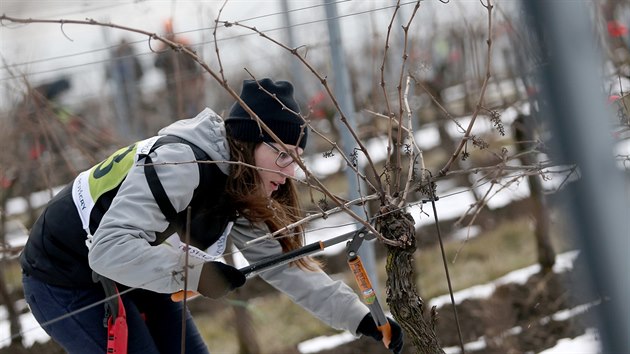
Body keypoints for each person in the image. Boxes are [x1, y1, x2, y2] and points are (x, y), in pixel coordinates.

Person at [20, 78, 404, 354]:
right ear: (249, 143)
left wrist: (362, 318)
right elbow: (108, 251)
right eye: (283, 155)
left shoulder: (240, 182)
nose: (291, 172)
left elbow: (283, 266)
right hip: (65, 278)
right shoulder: (183, 162)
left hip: (137, 267)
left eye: (297, 158)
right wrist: (199, 273)